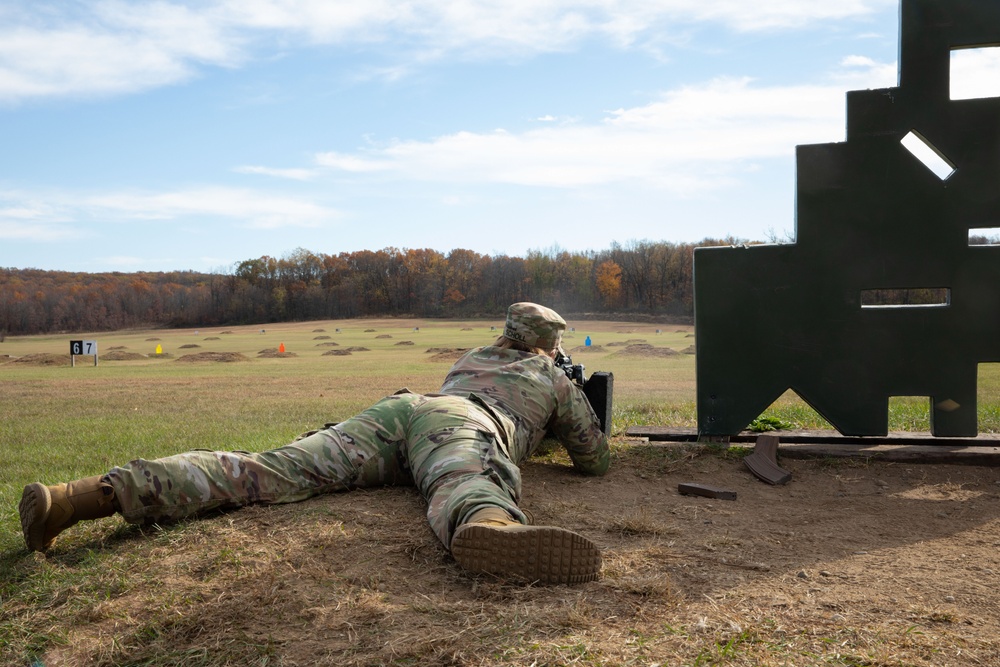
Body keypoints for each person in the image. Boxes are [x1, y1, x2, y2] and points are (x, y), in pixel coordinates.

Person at [19, 303, 610, 585]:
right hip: (461, 422)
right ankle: (490, 527)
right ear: (547, 346)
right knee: (463, 472)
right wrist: (564, 408)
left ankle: (75, 499)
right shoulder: (551, 375)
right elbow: (595, 458)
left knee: (269, 468)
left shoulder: (471, 356)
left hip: (402, 409)